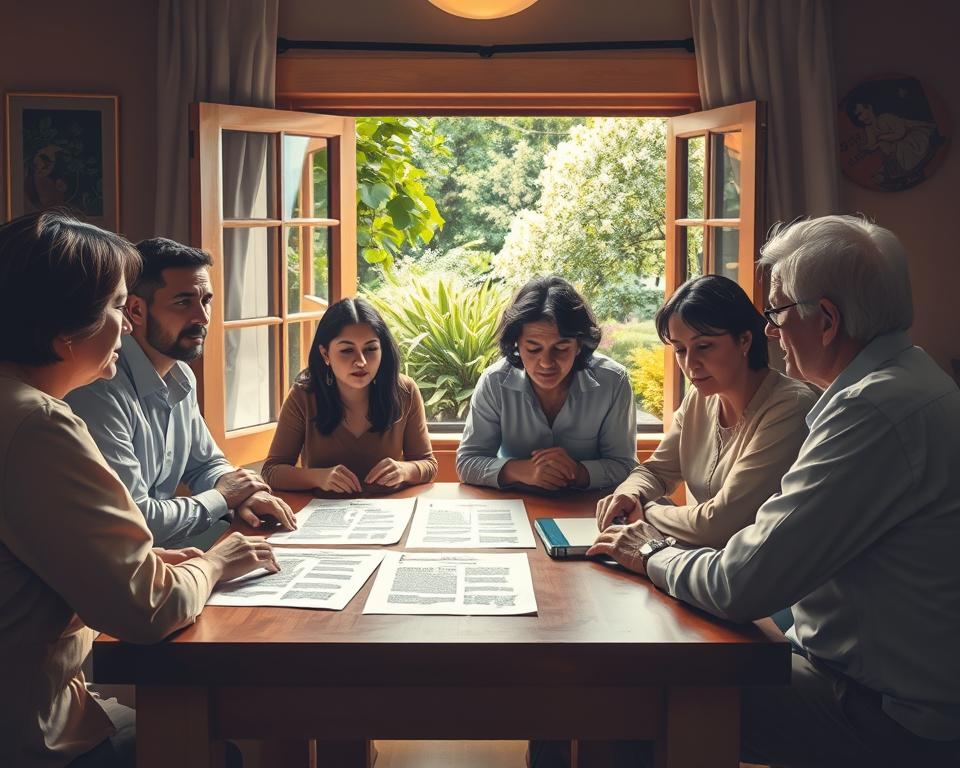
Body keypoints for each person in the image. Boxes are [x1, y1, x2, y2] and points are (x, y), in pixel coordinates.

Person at [588, 216, 960, 766]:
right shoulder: (908, 381)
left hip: (882, 713)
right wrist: (648, 505)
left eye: (779, 311)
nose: (772, 330)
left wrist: (648, 549)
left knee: (619, 694)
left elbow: (740, 582)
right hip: (864, 677)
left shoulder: (868, 412)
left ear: (827, 319)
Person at [0, 211, 278, 768]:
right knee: (218, 750)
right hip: (34, 732)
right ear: (63, 330)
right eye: (114, 308)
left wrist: (139, 563)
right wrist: (218, 561)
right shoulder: (41, 426)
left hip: (37, 705)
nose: (126, 325)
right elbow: (150, 610)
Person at [67, 238, 296, 549]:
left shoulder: (182, 375)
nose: (202, 317)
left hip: (170, 551)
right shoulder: (100, 390)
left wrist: (248, 494)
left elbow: (205, 464)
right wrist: (223, 497)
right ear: (135, 310)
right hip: (121, 567)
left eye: (206, 300)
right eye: (183, 301)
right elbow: (139, 521)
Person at [596, 275, 817, 548]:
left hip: (763, 580)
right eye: (679, 349)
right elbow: (655, 472)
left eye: (703, 346)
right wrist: (629, 493)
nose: (690, 364)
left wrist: (646, 512)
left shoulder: (790, 408)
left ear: (745, 340)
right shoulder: (700, 399)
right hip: (701, 566)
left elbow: (719, 525)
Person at [457, 276, 636, 492]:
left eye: (560, 348)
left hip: (589, 508)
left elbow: (625, 466)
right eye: (533, 349)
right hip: (515, 506)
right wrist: (522, 470)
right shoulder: (494, 382)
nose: (546, 363)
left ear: (579, 345)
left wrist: (579, 473)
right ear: (516, 344)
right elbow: (467, 462)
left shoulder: (613, 381)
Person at [262, 297, 437, 493]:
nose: (361, 361)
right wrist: (319, 477)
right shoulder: (303, 396)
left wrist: (405, 470)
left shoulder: (405, 391)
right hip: (323, 515)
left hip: (389, 512)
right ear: (325, 354)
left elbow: (428, 464)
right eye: (347, 350)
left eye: (371, 349)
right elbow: (271, 471)